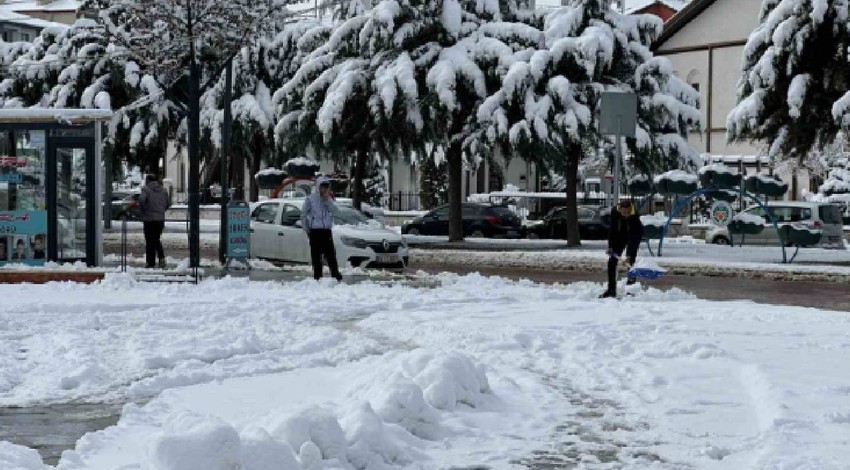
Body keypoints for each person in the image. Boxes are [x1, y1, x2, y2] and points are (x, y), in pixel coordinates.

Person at [301, 176, 343, 281]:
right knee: (316, 256)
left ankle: (335, 274)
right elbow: (303, 214)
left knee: (330, 254)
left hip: (326, 231)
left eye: (326, 187)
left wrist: (327, 200)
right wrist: (307, 229)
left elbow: (336, 212)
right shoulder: (310, 199)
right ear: (318, 187)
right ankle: (317, 276)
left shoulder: (328, 199)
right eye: (322, 187)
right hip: (315, 231)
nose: (324, 190)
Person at [600, 200, 643, 299]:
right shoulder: (615, 211)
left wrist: (629, 254)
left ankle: (630, 290)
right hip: (620, 235)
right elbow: (612, 229)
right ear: (620, 209)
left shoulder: (634, 215)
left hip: (634, 234)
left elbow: (633, 238)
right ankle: (611, 290)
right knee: (611, 262)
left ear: (630, 209)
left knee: (630, 263)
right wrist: (610, 246)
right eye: (624, 213)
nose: (626, 215)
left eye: (628, 212)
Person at [139, 173, 170, 269]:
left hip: (149, 219)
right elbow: (168, 203)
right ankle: (161, 258)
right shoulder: (163, 190)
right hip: (160, 219)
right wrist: (161, 211)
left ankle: (151, 262)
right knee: (156, 239)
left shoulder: (146, 190)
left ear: (148, 181)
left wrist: (144, 210)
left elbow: (141, 200)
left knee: (150, 241)